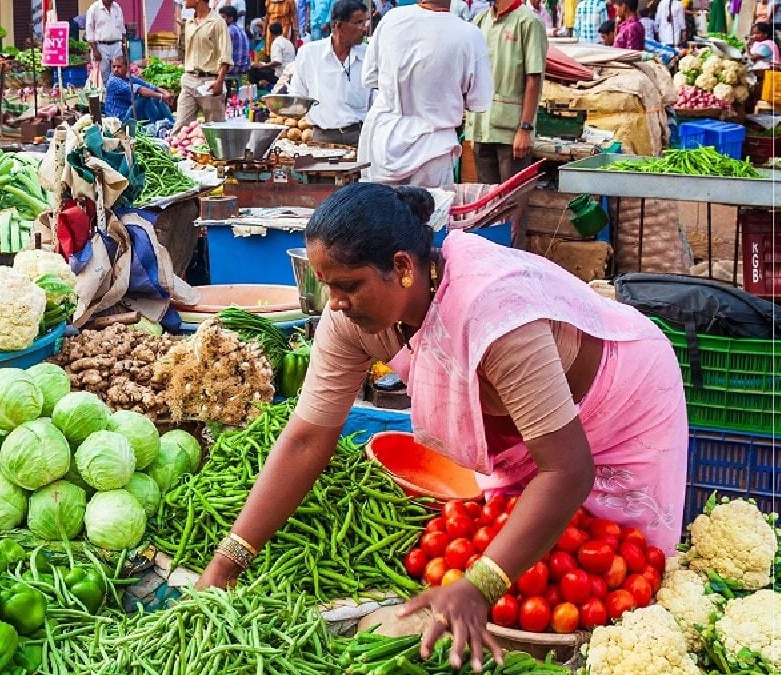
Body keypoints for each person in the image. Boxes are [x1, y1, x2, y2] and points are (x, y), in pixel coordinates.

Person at [195, 182, 688, 669]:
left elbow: (566, 471)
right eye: (327, 285)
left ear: (404, 268)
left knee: (620, 578)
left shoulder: (492, 310)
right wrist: (227, 563)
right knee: (536, 563)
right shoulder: (350, 321)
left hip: (621, 403)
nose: (335, 303)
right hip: (523, 428)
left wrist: (480, 584)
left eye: (348, 285)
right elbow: (306, 439)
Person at [359, 0, 492, 186]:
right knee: (429, 213)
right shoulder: (470, 36)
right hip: (432, 150)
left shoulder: (391, 20)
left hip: (383, 144)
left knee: (381, 212)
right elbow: (478, 100)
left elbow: (371, 77)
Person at [466, 0, 547, 187]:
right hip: (481, 127)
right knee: (487, 201)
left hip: (511, 130)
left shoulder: (529, 22)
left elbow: (533, 79)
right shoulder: (480, 20)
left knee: (513, 202)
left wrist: (525, 128)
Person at [288, 0, 371, 146]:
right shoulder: (309, 54)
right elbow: (297, 95)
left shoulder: (369, 56)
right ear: (338, 25)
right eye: (358, 23)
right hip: (322, 137)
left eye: (365, 23)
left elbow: (376, 101)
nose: (364, 29)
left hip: (360, 137)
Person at [173, 0, 232, 133]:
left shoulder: (217, 22)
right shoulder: (189, 22)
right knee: (181, 126)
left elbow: (225, 55)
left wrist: (219, 81)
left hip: (209, 81)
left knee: (215, 130)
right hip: (189, 79)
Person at [103, 54, 173, 122]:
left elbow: (148, 85)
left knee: (155, 95)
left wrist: (164, 92)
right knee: (146, 98)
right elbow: (140, 90)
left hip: (128, 113)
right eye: (114, 67)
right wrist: (161, 96)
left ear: (127, 67)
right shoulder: (113, 81)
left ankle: (168, 122)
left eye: (119, 67)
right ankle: (157, 123)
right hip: (119, 119)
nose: (116, 69)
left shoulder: (128, 78)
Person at [86, 0, 125, 84]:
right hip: (101, 46)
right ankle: (103, 95)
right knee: (102, 74)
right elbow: (89, 31)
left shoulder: (117, 7)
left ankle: (115, 95)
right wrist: (95, 50)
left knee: (118, 74)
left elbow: (122, 29)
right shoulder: (94, 8)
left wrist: (124, 49)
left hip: (117, 45)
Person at [221, 6, 251, 80]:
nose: (220, 20)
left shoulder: (229, 30)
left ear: (230, 18)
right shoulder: (241, 30)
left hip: (233, 67)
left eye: (223, 17)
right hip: (243, 67)